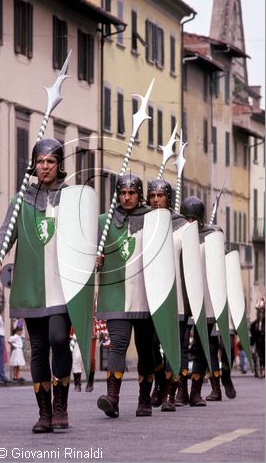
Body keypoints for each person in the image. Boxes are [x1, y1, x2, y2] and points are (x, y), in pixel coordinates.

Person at [0, 138, 76, 433]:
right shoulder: (21, 200)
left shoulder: (72, 198)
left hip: (63, 285)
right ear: (34, 164)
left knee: (59, 339)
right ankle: (45, 413)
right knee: (37, 348)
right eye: (40, 161)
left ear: (59, 166)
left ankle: (61, 404)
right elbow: (5, 232)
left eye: (50, 161)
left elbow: (85, 236)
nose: (45, 166)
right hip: (31, 285)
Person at [96, 173, 154, 418]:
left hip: (146, 295)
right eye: (122, 192)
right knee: (117, 345)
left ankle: (144, 399)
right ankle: (113, 398)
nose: (126, 197)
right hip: (116, 293)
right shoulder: (104, 221)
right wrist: (95, 258)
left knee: (145, 349)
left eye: (131, 193)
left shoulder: (154, 220)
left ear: (139, 195)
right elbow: (92, 249)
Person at [147, 179, 207, 411]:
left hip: (178, 298)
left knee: (177, 346)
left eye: (160, 196)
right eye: (152, 196)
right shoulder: (144, 222)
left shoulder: (184, 227)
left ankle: (172, 393)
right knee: (151, 344)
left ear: (168, 198)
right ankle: (160, 381)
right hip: (151, 296)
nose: (156, 200)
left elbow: (191, 266)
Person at [180, 196, 236, 402]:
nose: (189, 223)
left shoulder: (213, 237)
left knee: (211, 346)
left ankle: (218, 383)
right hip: (188, 299)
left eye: (193, 219)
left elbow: (221, 265)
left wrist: (214, 241)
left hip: (210, 300)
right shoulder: (181, 235)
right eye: (187, 218)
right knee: (190, 345)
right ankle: (192, 389)